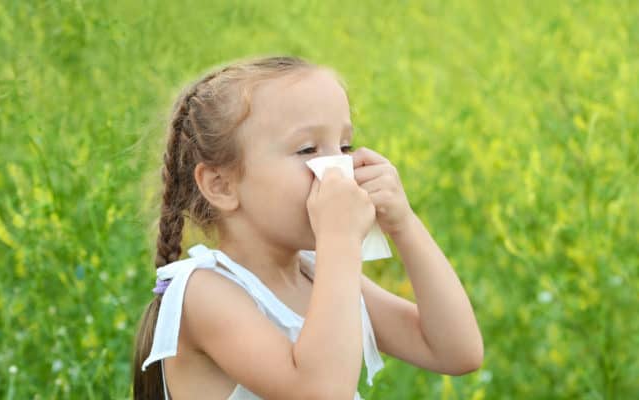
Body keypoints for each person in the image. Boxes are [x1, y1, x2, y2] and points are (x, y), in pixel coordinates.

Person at [133, 55, 483, 399]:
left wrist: (404, 223)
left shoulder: (315, 275)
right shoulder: (204, 293)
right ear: (222, 185)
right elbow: (321, 393)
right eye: (307, 149)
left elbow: (456, 350)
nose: (338, 167)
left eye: (345, 146)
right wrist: (339, 240)